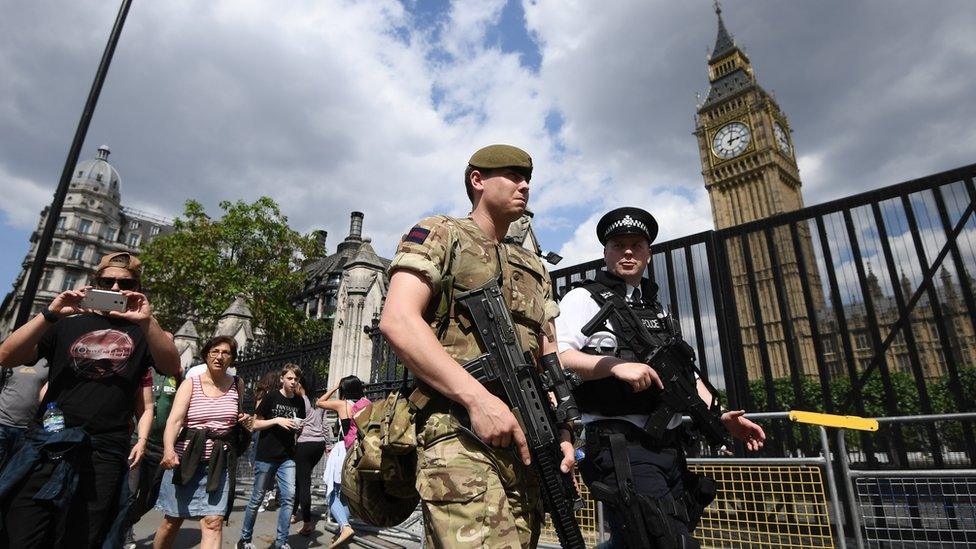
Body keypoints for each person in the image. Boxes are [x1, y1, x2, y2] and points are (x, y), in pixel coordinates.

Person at [379, 144, 575, 548]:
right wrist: (477, 399)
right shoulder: (442, 232)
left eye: (528, 179)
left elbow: (548, 356)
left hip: (529, 443)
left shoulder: (535, 267)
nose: (524, 185)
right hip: (459, 433)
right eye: (513, 175)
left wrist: (565, 429)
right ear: (477, 180)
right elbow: (398, 320)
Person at [555, 207, 767, 548]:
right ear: (605, 252)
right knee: (663, 540)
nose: (628, 251)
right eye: (619, 245)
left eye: (636, 245)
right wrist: (614, 365)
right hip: (619, 443)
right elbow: (559, 355)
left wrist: (719, 415)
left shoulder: (657, 308)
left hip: (668, 447)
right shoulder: (582, 298)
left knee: (637, 539)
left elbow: (684, 375)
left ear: (648, 254)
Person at [0, 251, 181, 547]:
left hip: (103, 455)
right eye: (106, 282)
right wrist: (50, 314)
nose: (115, 289)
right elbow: (6, 356)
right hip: (48, 444)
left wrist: (148, 321)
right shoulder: (64, 323)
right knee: (22, 534)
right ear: (93, 283)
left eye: (125, 284)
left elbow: (171, 367)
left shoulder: (144, 331)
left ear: (137, 289)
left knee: (81, 539)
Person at [153, 335, 245, 548]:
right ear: (206, 355)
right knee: (172, 522)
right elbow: (174, 421)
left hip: (219, 463)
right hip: (185, 462)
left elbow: (237, 421)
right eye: (215, 352)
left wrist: (246, 420)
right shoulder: (190, 384)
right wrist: (168, 450)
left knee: (214, 522)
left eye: (226, 353)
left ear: (232, 358)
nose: (219, 357)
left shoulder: (237, 385)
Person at [237, 363, 306, 549]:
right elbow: (255, 424)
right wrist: (277, 420)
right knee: (257, 498)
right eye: (290, 378)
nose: (293, 382)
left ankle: (281, 542)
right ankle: (244, 540)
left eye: (296, 379)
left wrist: (298, 428)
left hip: (287, 456)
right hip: (266, 455)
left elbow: (300, 425)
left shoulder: (299, 401)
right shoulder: (271, 397)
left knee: (289, 497)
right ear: (282, 379)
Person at [316, 375, 369, 548]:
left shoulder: (342, 404)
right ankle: (342, 532)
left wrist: (333, 388)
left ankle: (345, 527)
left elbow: (319, 402)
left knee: (332, 492)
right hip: (358, 451)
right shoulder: (367, 404)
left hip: (341, 451)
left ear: (344, 390)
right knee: (345, 494)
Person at [289, 379, 328, 537]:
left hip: (304, 444)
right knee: (301, 479)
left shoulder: (300, 401)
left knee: (303, 482)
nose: (294, 385)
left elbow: (296, 425)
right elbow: (325, 426)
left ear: (301, 386)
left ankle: (306, 522)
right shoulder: (319, 402)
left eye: (296, 383)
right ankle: (294, 513)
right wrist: (328, 446)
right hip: (318, 445)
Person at [0, 358, 49, 470]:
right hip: (2, 422)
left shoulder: (47, 363)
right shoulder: (11, 359)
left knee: (14, 469)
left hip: (27, 428)